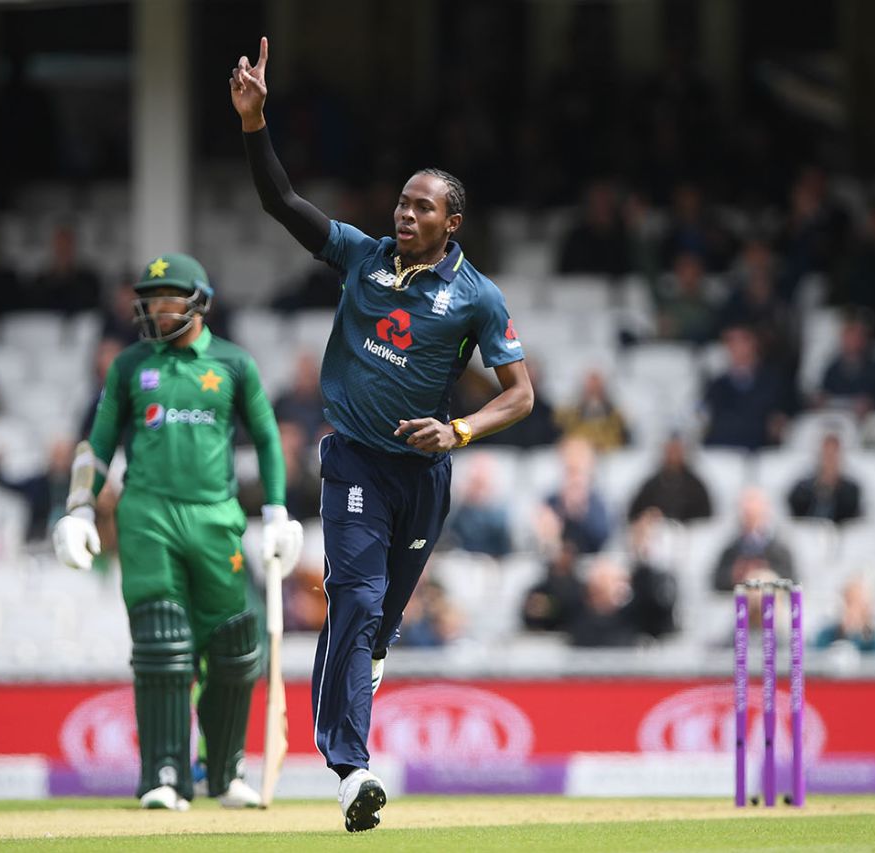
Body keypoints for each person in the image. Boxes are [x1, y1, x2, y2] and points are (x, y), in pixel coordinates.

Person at [232, 37, 534, 833]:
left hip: (424, 478)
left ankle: (350, 715)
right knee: (356, 600)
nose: (404, 214)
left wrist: (459, 429)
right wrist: (255, 123)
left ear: (451, 222)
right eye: (402, 202)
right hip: (356, 461)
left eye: (421, 207)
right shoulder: (361, 256)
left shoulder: (477, 297)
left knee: (376, 628)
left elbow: (521, 395)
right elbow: (281, 202)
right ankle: (351, 768)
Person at [51, 252, 303, 812]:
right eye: (150, 301)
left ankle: (224, 772)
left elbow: (267, 439)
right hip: (148, 516)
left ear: (200, 303)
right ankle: (162, 774)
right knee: (162, 642)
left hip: (216, 516)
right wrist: (80, 509)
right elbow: (97, 443)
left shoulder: (234, 363)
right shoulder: (129, 365)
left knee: (235, 648)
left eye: (169, 299)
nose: (158, 310)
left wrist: (277, 513)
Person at [712, 487, 795, 591]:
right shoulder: (731, 551)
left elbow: (790, 580)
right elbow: (718, 582)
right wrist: (735, 575)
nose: (751, 520)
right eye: (747, 515)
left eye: (756, 515)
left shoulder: (779, 550)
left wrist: (766, 574)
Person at [627, 433, 713, 523]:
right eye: (670, 451)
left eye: (677, 451)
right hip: (658, 529)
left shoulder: (695, 486)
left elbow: (706, 517)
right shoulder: (652, 485)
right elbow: (634, 514)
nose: (673, 455)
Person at [787, 432, 863, 525]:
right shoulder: (802, 488)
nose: (829, 460)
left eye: (833, 455)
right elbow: (795, 515)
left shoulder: (851, 490)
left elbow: (851, 520)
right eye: (826, 454)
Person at [813, 576, 875, 653]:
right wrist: (844, 633)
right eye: (848, 601)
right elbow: (817, 657)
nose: (851, 609)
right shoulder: (826, 634)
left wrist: (856, 633)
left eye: (859, 603)